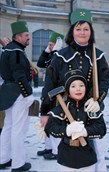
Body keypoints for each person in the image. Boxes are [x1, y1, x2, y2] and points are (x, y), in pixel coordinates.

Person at [40, 8, 109, 171]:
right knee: (65, 153)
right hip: (65, 110)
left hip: (90, 111)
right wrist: (44, 112)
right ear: (72, 31)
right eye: (78, 29)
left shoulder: (98, 55)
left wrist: (97, 100)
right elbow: (49, 84)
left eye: (86, 29)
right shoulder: (60, 56)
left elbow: (104, 80)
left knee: (97, 152)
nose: (82, 32)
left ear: (91, 32)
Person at [45, 69, 107, 171]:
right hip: (65, 158)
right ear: (68, 90)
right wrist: (67, 130)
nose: (78, 89)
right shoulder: (61, 108)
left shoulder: (90, 107)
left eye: (81, 85)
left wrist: (85, 131)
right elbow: (50, 128)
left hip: (87, 158)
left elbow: (101, 129)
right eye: (73, 86)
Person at [0, 21, 34, 171]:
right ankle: (18, 163)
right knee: (18, 129)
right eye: (26, 35)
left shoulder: (7, 49)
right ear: (17, 36)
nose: (29, 38)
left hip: (7, 91)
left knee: (8, 126)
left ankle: (3, 159)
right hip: (18, 93)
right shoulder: (18, 52)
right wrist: (27, 94)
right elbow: (19, 75)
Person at [37, 31, 64, 160]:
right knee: (45, 123)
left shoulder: (60, 56)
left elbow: (55, 66)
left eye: (52, 44)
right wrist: (47, 51)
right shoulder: (52, 55)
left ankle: (57, 150)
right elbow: (41, 63)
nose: (50, 46)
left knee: (54, 121)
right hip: (48, 92)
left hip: (56, 93)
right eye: (49, 45)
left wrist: (55, 52)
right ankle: (48, 147)